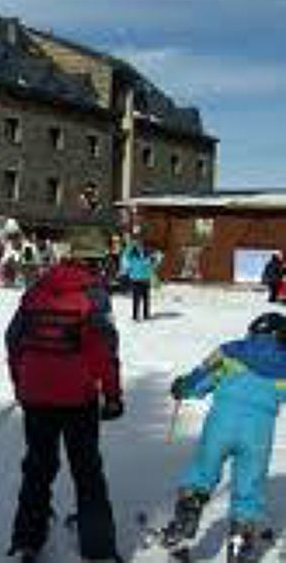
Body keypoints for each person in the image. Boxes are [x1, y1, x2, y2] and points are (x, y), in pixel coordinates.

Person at [5, 227, 123, 563]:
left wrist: (20, 382)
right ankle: (98, 550)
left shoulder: (38, 287)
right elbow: (104, 351)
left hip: (35, 393)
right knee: (86, 469)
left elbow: (13, 339)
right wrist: (112, 395)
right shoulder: (94, 295)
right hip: (77, 396)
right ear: (95, 261)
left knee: (38, 467)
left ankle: (27, 540)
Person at [159, 312, 286, 563]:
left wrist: (184, 387)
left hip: (220, 425)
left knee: (202, 471)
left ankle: (186, 516)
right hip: (258, 433)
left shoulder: (230, 351)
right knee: (249, 485)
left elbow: (202, 376)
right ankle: (240, 544)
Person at [122, 240, 157, 321]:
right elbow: (125, 255)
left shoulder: (147, 256)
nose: (140, 247)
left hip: (145, 279)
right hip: (136, 280)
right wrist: (130, 245)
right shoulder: (131, 257)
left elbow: (152, 266)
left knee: (146, 299)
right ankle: (135, 315)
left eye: (141, 246)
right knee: (136, 299)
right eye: (138, 246)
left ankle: (146, 314)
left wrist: (153, 262)